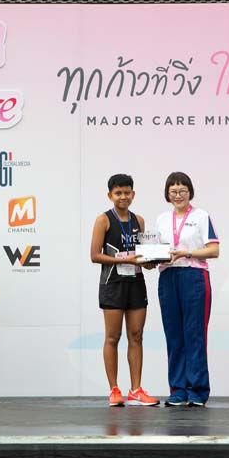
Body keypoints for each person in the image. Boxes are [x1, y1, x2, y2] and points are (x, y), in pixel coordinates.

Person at [90, 174, 159, 407]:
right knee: (113, 337)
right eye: (118, 193)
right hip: (113, 284)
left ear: (133, 194)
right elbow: (94, 255)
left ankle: (136, 390)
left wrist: (150, 261)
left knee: (136, 336)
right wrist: (124, 259)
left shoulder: (139, 220)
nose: (123, 197)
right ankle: (114, 390)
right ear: (110, 195)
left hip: (136, 283)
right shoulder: (103, 220)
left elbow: (142, 254)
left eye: (127, 192)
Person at [154, 172, 219, 407]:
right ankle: (178, 390)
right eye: (173, 191)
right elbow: (156, 250)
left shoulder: (201, 216)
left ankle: (197, 391)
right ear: (167, 194)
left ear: (190, 192)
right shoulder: (162, 219)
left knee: (195, 334)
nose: (178, 195)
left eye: (182, 190)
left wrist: (187, 252)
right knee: (174, 335)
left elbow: (214, 250)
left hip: (194, 275)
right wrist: (150, 259)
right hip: (168, 276)